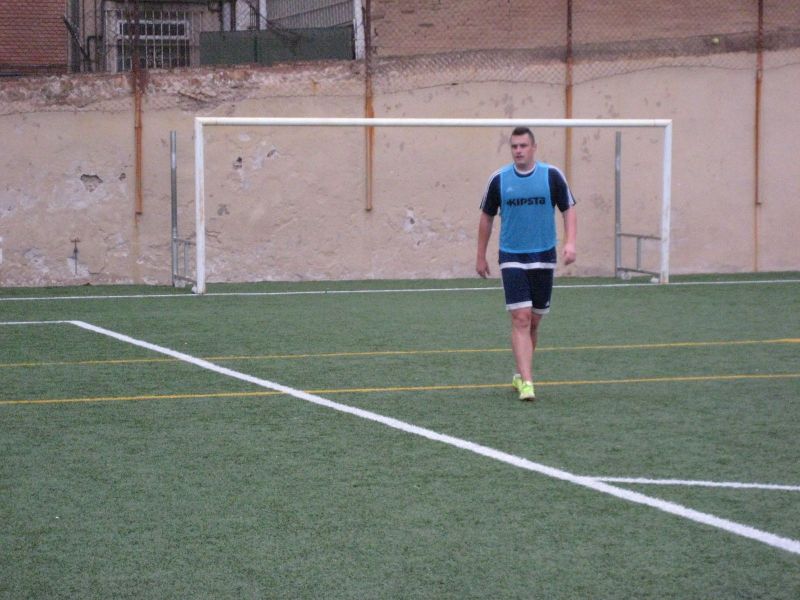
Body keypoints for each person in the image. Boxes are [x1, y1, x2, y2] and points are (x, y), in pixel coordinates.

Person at [476, 127, 577, 401]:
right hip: (512, 256)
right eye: (514, 146)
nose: (518, 150)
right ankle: (528, 383)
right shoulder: (499, 179)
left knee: (533, 321)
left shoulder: (552, 176)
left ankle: (521, 374)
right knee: (520, 317)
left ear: (534, 147)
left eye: (523, 145)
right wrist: (480, 255)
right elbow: (486, 217)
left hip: (543, 256)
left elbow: (568, 208)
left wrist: (570, 242)